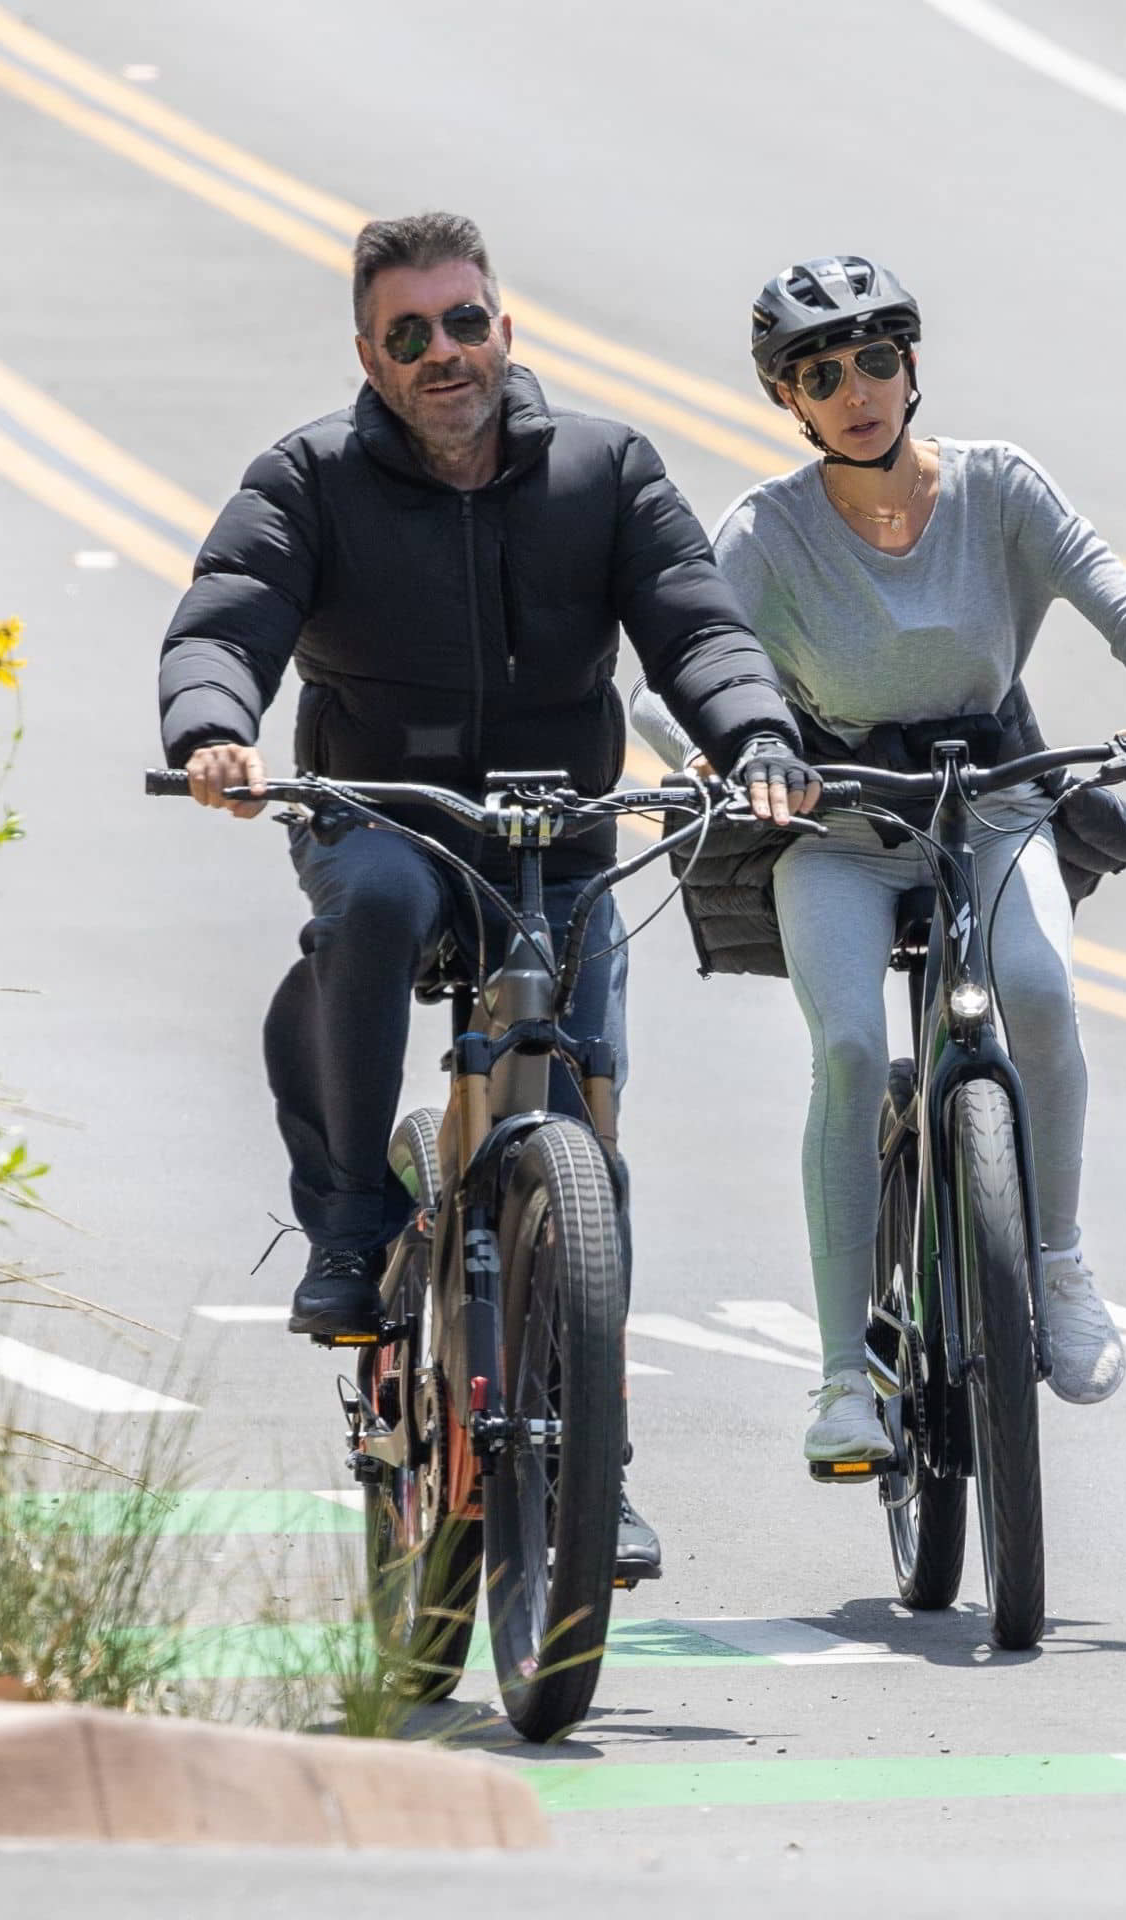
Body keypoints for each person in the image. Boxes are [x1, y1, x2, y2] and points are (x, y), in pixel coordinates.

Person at [157, 211, 819, 1574]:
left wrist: (754, 733)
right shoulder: (309, 477)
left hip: (564, 835)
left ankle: (599, 1466)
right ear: (371, 353)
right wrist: (211, 731)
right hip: (384, 814)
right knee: (378, 907)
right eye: (411, 334)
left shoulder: (605, 468)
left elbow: (695, 621)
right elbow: (229, 614)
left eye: (466, 323)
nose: (444, 353)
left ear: (505, 329)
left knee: (592, 1142)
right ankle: (350, 1216)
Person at [633, 253, 1126, 1463]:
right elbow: (665, 684)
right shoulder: (767, 529)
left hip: (987, 805)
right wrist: (726, 762)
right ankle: (842, 1380)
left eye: (876, 359)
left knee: (1043, 994)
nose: (855, 389)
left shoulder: (999, 486)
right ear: (786, 400)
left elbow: (1123, 600)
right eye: (819, 373)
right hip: (841, 823)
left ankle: (1052, 1266)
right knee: (848, 1049)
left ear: (912, 367)